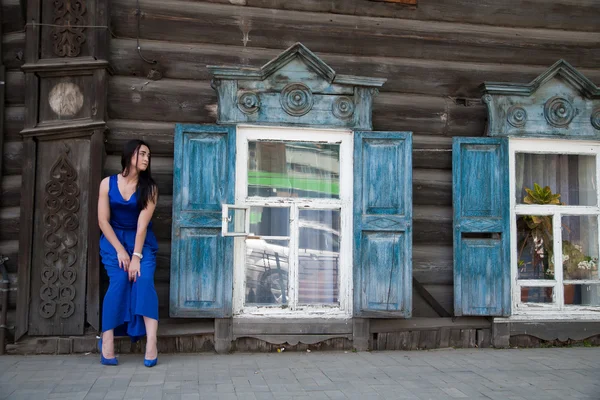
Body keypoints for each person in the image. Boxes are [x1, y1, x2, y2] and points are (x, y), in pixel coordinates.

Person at [97, 139, 159, 367]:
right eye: (142, 153)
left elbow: (142, 226)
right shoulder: (107, 183)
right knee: (119, 281)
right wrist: (121, 251)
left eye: (148, 156)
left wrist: (136, 257)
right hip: (114, 242)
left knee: (143, 281)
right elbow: (103, 221)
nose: (146, 159)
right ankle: (107, 341)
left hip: (141, 243)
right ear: (129, 155)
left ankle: (152, 342)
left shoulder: (150, 188)